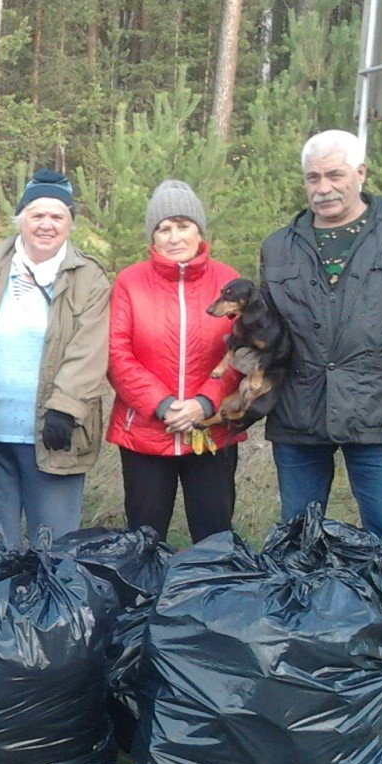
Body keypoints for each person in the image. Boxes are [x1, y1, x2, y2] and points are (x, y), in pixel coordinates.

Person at [259, 129, 382, 537]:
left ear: (360, 173)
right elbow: (269, 328)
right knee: (298, 537)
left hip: (381, 413)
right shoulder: (278, 246)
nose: (324, 188)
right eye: (313, 178)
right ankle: (307, 600)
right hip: (299, 411)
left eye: (335, 175)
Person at [0, 169, 111, 548]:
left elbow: (90, 349)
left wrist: (63, 409)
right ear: (21, 220)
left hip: (54, 435)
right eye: (37, 215)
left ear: (69, 224)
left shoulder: (90, 278)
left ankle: (53, 609)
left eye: (57, 216)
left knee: (54, 545)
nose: (46, 225)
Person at [106, 180, 247, 542]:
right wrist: (164, 405)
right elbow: (117, 353)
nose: (174, 237)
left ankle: (211, 595)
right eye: (163, 228)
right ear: (152, 237)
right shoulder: (129, 282)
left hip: (212, 428)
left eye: (183, 226)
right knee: (143, 539)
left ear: (200, 231)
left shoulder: (228, 281)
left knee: (214, 535)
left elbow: (243, 353)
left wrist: (204, 402)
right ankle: (144, 598)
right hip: (146, 430)